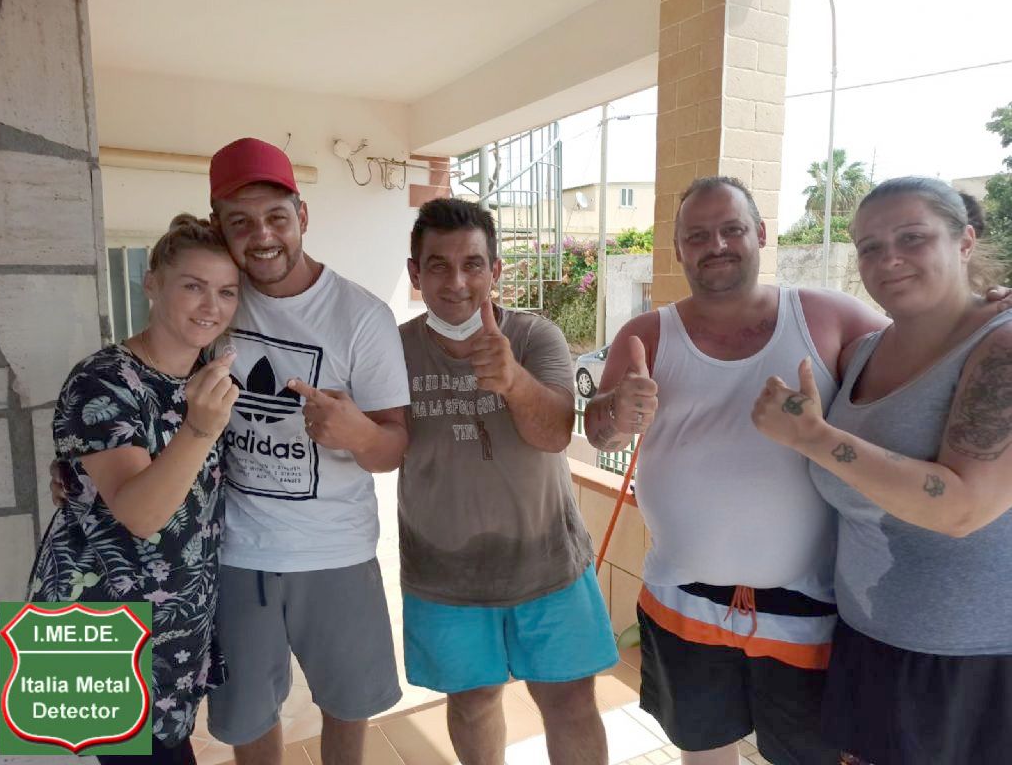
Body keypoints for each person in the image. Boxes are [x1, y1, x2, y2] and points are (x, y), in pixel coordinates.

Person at [585, 176, 891, 765]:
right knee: (702, 751)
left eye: (732, 229)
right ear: (678, 248)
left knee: (811, 757)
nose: (716, 245)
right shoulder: (645, 335)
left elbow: (924, 349)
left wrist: (977, 309)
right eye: (698, 235)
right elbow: (604, 437)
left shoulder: (827, 316)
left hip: (809, 603)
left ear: (761, 234)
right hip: (682, 597)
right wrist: (615, 413)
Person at [752, 177, 1012, 764]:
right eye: (869, 246)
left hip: (968, 664)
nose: (888, 258)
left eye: (912, 237)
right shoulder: (866, 351)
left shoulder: (1000, 346)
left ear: (965, 241)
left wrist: (814, 438)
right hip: (869, 642)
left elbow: (962, 508)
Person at [197, 138, 410, 765]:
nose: (262, 236)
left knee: (348, 703)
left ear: (303, 216)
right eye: (241, 221)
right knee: (248, 718)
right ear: (218, 226)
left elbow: (393, 447)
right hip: (237, 552)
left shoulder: (361, 315)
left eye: (276, 217)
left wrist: (358, 434)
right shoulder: (213, 302)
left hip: (337, 551)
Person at [399, 198, 618, 765]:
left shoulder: (534, 336)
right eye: (439, 266)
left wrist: (512, 379)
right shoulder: (395, 349)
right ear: (415, 274)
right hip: (443, 575)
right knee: (473, 702)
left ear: (495, 271)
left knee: (570, 701)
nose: (457, 282)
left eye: (473, 264)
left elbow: (555, 434)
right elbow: (382, 445)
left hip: (549, 566)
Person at [32, 214, 241, 765]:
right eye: (193, 286)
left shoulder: (207, 377)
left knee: (166, 748)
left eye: (226, 291)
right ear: (152, 284)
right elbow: (142, 515)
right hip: (99, 624)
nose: (211, 306)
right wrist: (199, 430)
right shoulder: (101, 378)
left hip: (174, 626)